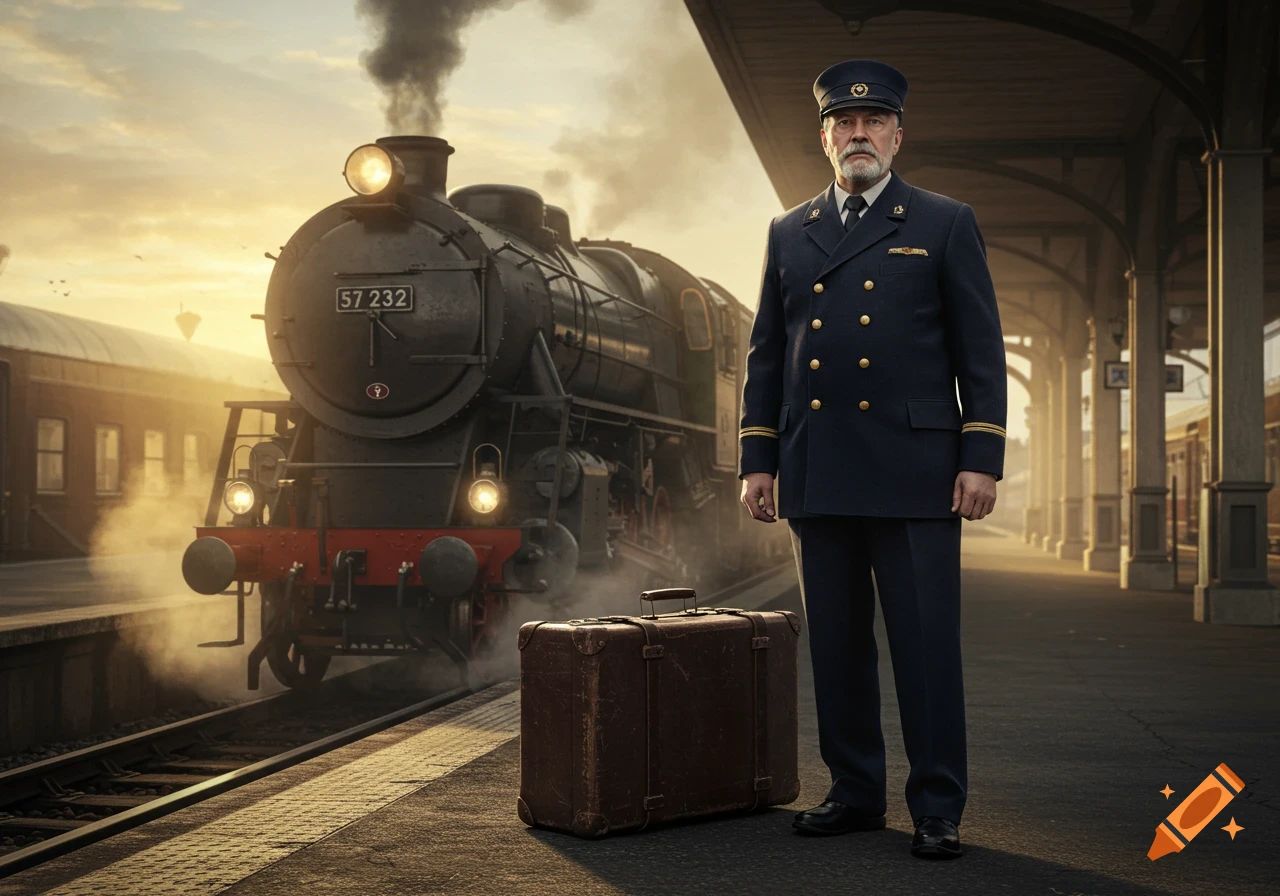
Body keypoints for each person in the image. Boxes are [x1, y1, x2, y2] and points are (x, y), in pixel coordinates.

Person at [737, 59, 1006, 860]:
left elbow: (980, 352)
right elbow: (766, 354)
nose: (859, 134)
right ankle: (854, 792)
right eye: (844, 125)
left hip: (916, 470)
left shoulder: (944, 221)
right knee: (839, 647)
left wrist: (980, 458)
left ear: (897, 134)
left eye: (874, 122)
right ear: (824, 138)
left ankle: (936, 804)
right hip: (819, 469)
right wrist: (759, 458)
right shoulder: (788, 230)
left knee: (926, 649)